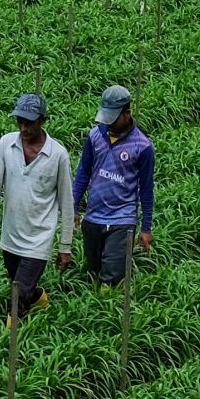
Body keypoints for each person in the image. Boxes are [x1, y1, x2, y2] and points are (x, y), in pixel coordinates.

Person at [0, 93, 75, 319]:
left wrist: (65, 246)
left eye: (28, 122)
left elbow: (67, 204)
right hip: (10, 236)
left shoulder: (58, 155)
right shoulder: (5, 144)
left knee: (17, 295)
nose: (22, 128)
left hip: (39, 239)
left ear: (42, 120)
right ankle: (38, 297)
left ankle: (8, 344)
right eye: (19, 121)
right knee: (18, 286)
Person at [73, 83, 155, 289]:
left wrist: (146, 227)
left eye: (113, 118)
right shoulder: (94, 137)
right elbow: (83, 172)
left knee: (110, 280)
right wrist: (72, 206)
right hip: (93, 217)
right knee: (93, 272)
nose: (108, 123)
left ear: (126, 114)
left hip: (122, 219)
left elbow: (146, 189)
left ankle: (107, 316)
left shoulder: (142, 146)